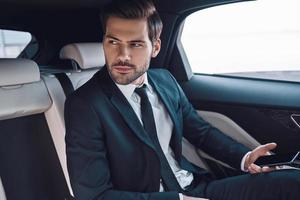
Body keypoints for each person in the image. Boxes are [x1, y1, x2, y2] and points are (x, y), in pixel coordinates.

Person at [64, 0, 300, 199]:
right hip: (157, 197)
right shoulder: (85, 105)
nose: (122, 55)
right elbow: (94, 196)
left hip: (194, 186)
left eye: (135, 44)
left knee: (290, 181)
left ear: (155, 47)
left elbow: (201, 132)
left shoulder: (165, 81)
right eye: (113, 42)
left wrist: (245, 157)